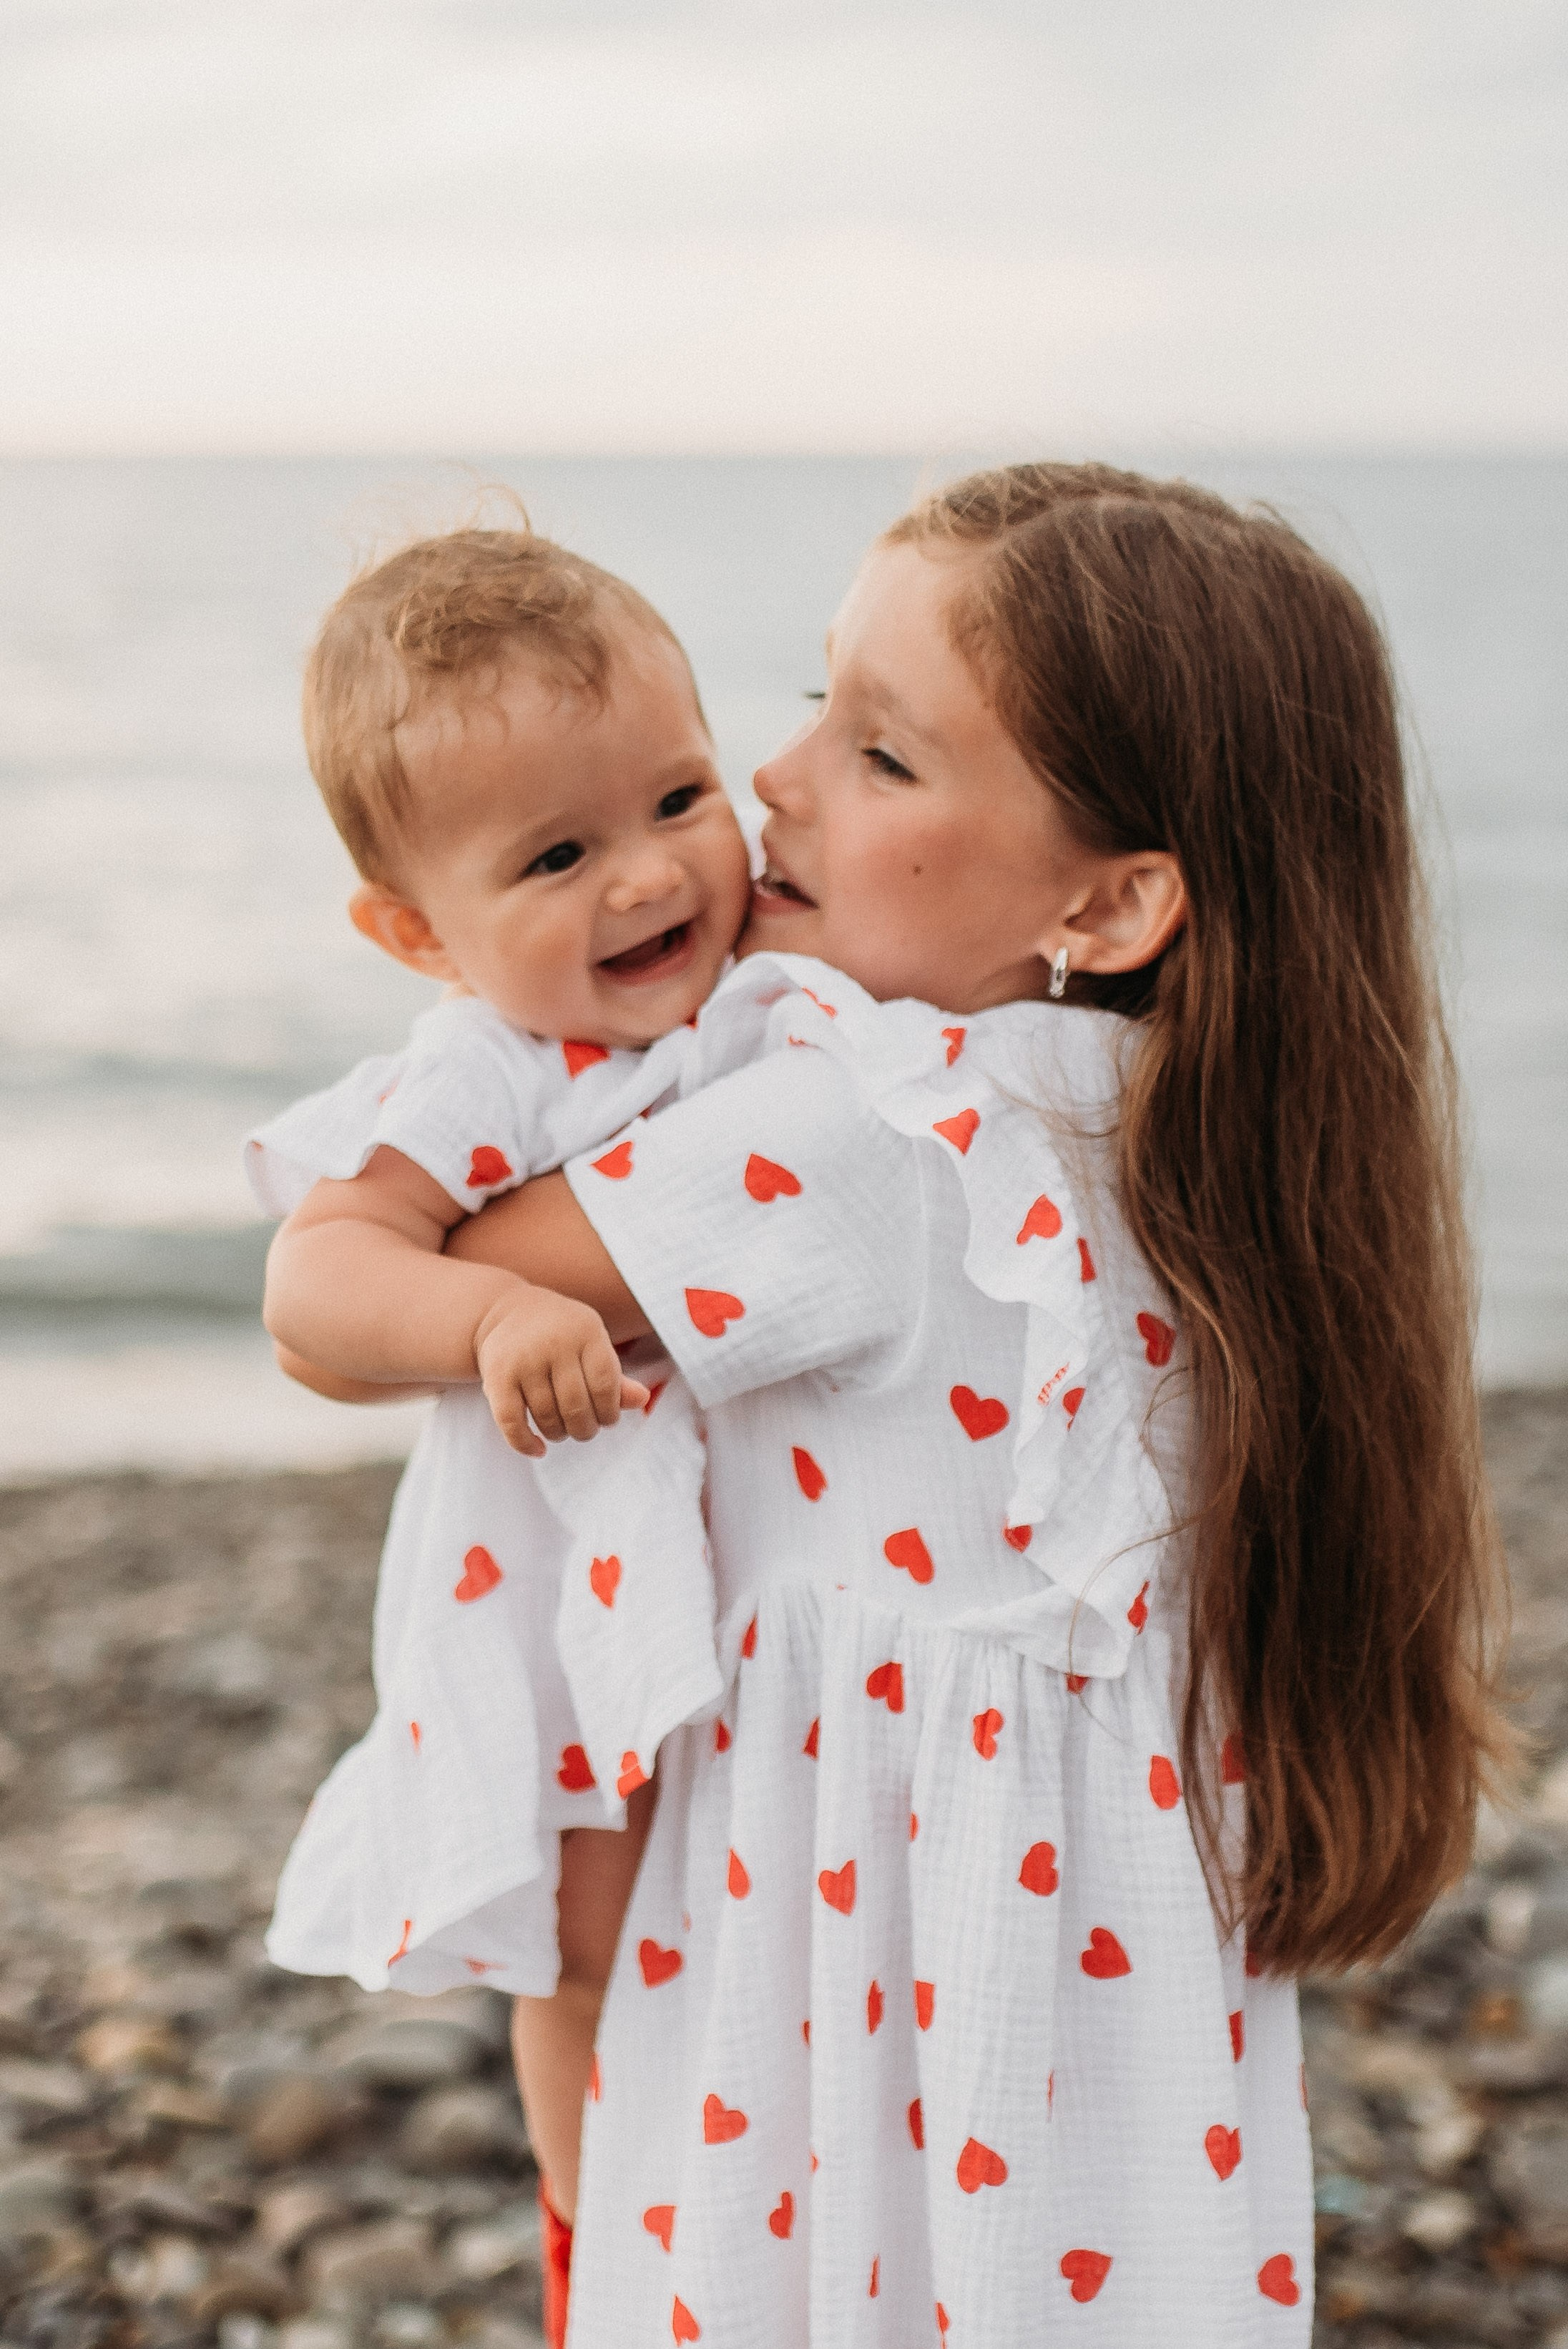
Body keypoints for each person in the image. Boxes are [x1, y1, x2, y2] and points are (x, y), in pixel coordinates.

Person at [291, 463, 1508, 2344]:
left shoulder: (858, 1128)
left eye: (877, 752)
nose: (772, 782)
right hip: (1091, 1972)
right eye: (812, 701)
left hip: (845, 1945)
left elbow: (361, 1306)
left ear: (1113, 899)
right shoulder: (1190, 1124)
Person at [250, 522, 753, 2321]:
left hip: (754, 1568)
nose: (650, 873)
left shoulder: (766, 973)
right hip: (565, 1589)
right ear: (419, 935)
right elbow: (317, 1287)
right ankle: (597, 2248)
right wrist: (491, 1311)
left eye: (679, 795)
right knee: (591, 1947)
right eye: (557, 855)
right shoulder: (493, 1065)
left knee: (755, 1906)